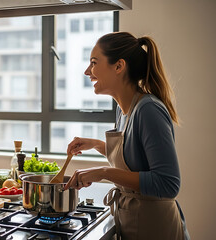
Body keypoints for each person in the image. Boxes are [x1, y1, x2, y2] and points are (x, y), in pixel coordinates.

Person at [64, 32, 189, 240]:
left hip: (155, 228)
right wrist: (96, 144)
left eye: (94, 63)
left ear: (119, 66)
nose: (88, 71)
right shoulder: (124, 110)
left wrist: (104, 172)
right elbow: (134, 158)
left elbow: (168, 184)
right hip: (133, 219)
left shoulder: (148, 109)